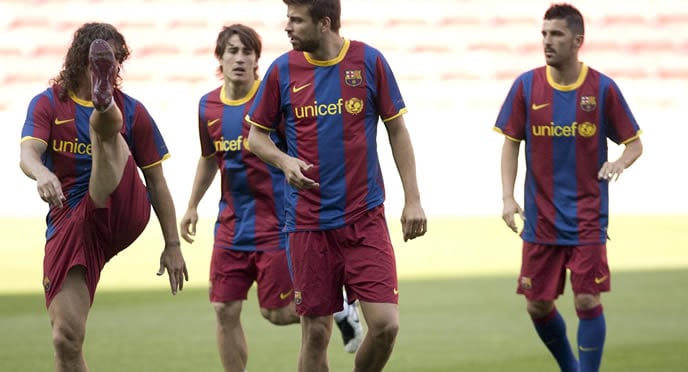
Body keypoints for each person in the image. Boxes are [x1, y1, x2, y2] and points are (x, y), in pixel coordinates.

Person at [245, 1, 427, 371]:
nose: (287, 27)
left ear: (324, 23)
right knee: (315, 334)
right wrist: (284, 161)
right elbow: (255, 138)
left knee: (386, 326)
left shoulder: (369, 62)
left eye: (296, 20)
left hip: (364, 218)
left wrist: (413, 200)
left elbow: (397, 130)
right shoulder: (282, 71)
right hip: (308, 223)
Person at [179, 23, 362, 372]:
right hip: (231, 227)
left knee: (275, 313)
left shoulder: (272, 98)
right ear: (220, 57)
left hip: (276, 225)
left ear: (256, 59)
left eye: (247, 52)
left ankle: (336, 306)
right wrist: (191, 206)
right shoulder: (207, 107)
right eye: (233, 51)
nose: (240, 58)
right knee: (223, 308)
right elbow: (209, 159)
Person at [19, 23, 188, 371]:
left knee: (104, 128)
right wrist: (43, 172)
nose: (111, 71)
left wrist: (172, 244)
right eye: (101, 64)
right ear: (80, 59)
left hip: (121, 205)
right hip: (73, 222)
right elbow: (28, 155)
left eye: (113, 64)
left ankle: (103, 107)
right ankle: (102, 113)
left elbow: (156, 181)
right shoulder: (48, 104)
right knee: (65, 339)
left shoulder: (135, 111)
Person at [494, 4, 643, 372]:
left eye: (556, 34)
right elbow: (511, 141)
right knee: (537, 305)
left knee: (588, 300)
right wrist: (507, 196)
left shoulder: (602, 89)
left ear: (578, 41)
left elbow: (635, 143)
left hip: (587, 217)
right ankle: (570, 367)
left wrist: (618, 163)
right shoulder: (526, 86)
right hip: (540, 220)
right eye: (544, 34)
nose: (547, 41)